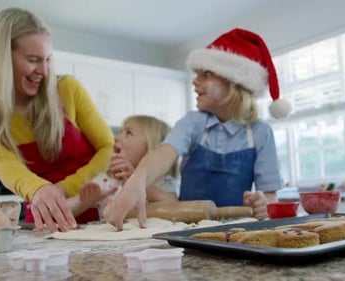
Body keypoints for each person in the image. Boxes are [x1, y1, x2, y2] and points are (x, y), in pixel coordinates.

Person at [103, 28, 292, 229]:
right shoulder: (193, 122)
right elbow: (164, 154)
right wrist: (138, 179)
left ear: (234, 82)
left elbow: (270, 196)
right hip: (186, 229)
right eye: (197, 74)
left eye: (206, 74)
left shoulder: (260, 132)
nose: (195, 81)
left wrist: (262, 203)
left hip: (238, 231)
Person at [0, 8, 114, 233]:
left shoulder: (67, 89)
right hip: (47, 220)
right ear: (2, 61)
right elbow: (8, 168)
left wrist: (62, 189)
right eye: (33, 60)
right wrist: (42, 190)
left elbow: (109, 148)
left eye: (48, 59)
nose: (44, 70)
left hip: (102, 212)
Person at [67, 115, 178, 217]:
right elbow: (64, 210)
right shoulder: (108, 181)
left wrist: (136, 180)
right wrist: (84, 203)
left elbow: (174, 205)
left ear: (152, 148)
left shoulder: (162, 181)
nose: (115, 137)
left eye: (128, 133)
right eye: (120, 132)